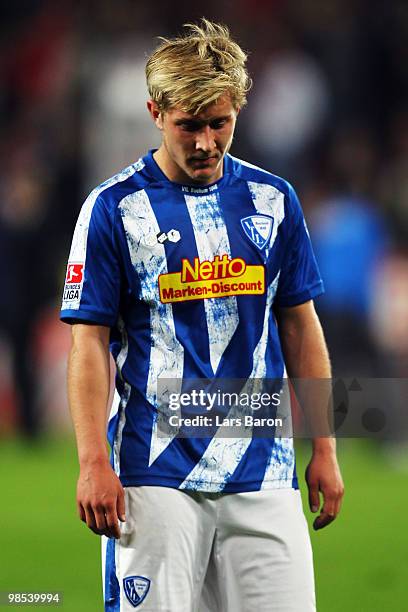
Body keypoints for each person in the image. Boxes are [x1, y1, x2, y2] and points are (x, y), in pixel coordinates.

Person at [61, 19, 344, 612]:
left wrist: (325, 446)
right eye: (189, 125)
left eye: (220, 124)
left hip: (263, 469)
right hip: (153, 474)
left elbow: (299, 325)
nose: (205, 143)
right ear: (156, 112)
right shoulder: (113, 209)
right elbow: (87, 345)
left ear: (238, 109)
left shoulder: (273, 201)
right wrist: (91, 463)